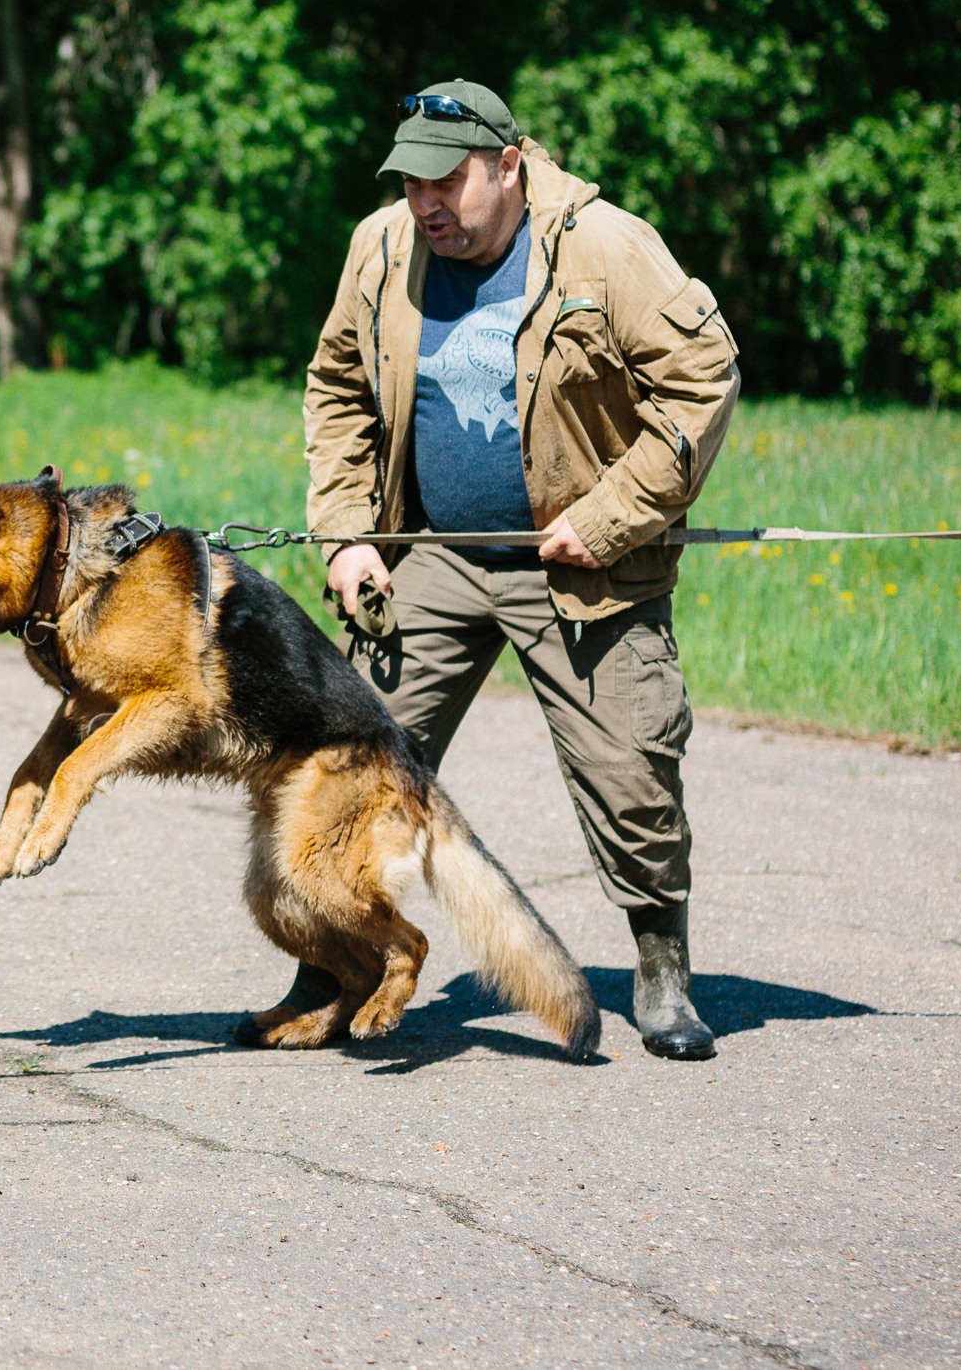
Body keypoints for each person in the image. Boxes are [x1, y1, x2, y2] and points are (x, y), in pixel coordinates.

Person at [302, 82, 740, 1061]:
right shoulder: (379, 248)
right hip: (425, 556)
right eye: (410, 182)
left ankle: (661, 969)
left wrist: (614, 515)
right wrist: (346, 534)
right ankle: (333, 968)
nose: (426, 203)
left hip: (585, 569)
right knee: (347, 764)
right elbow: (335, 383)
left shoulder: (605, 247)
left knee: (633, 772)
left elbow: (703, 375)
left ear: (507, 164)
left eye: (445, 179)